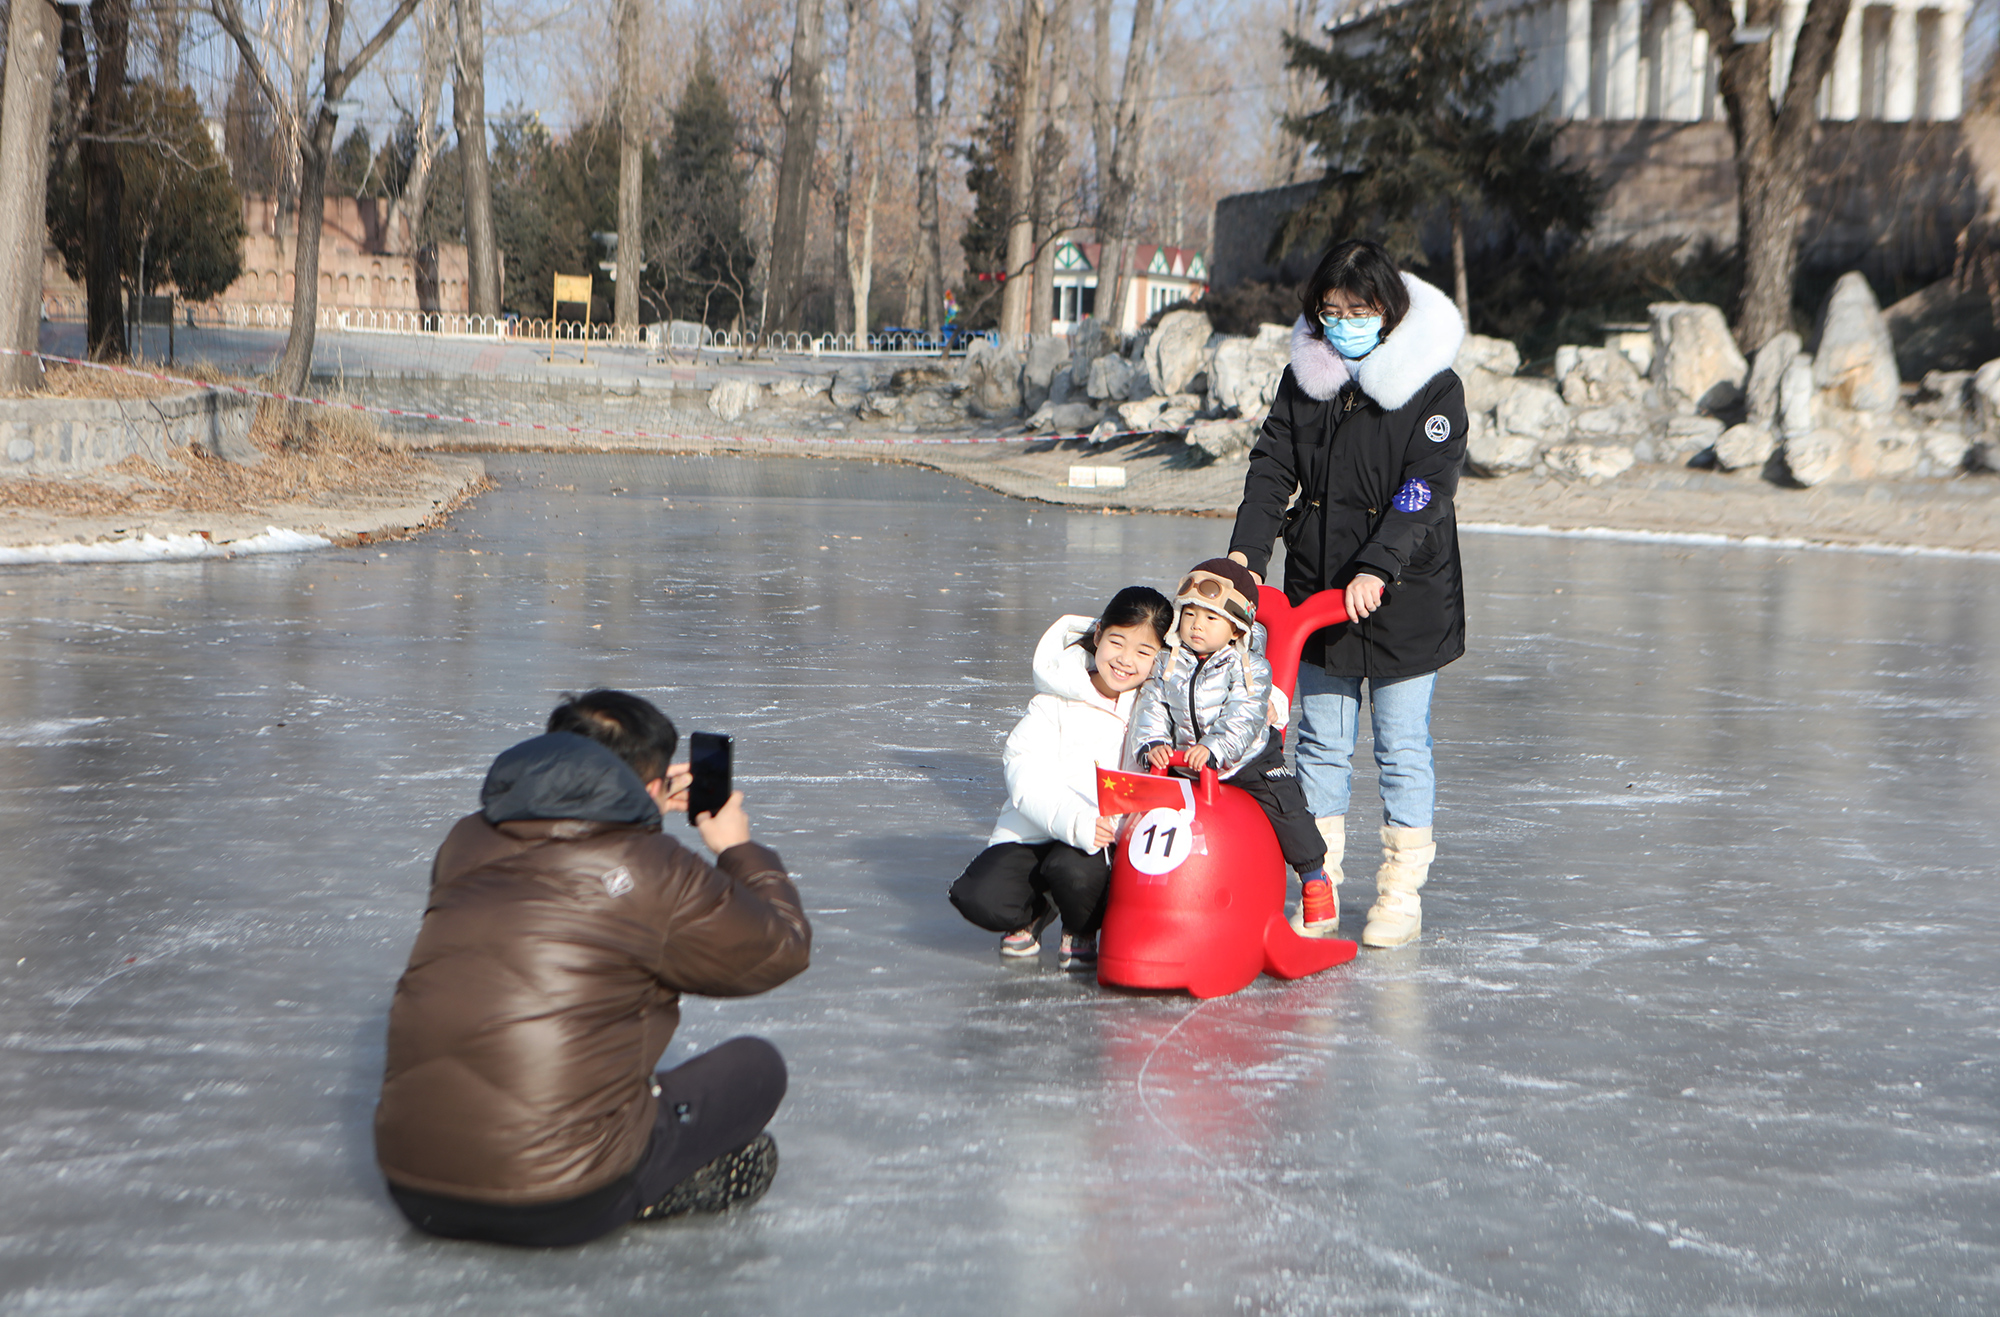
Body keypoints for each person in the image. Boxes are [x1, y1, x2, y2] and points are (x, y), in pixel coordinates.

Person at [374, 689, 811, 1247]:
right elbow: (783, 948)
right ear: (652, 783)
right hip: (562, 1202)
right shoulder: (653, 868)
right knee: (757, 1066)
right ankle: (648, 1191)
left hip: (413, 1191)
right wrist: (736, 848)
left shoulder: (465, 840)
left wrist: (638, 810)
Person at [1226, 237, 1468, 949]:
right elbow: (1272, 467)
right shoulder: (1308, 379)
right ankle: (1319, 882)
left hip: (1404, 596)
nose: (1342, 323)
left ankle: (1400, 892)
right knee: (1321, 745)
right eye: (1329, 311)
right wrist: (1246, 555)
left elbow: (1424, 488)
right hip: (1316, 594)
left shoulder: (1433, 384)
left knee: (1400, 745)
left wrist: (1378, 566)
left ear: (1387, 310)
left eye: (1357, 310)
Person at [949, 586, 1173, 971]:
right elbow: (1024, 772)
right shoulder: (1054, 699)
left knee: (1073, 871)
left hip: (1103, 845)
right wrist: (1075, 820)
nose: (1125, 660)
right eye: (1117, 642)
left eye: (1143, 651)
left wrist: (1265, 703)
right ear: (1099, 634)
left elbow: (1217, 696)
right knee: (980, 897)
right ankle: (1036, 910)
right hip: (1039, 827)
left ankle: (1081, 926)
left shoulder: (1157, 711)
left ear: (1159, 658)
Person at [1129, 558, 1328, 889]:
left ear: (1236, 627)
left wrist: (1214, 748)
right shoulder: (1168, 659)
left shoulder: (1249, 666)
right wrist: (1152, 743)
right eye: (1190, 613)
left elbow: (1245, 714)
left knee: (1286, 804)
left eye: (1210, 617)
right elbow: (1153, 703)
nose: (1196, 625)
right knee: (1145, 804)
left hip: (1245, 759)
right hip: (1184, 759)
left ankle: (1314, 878)